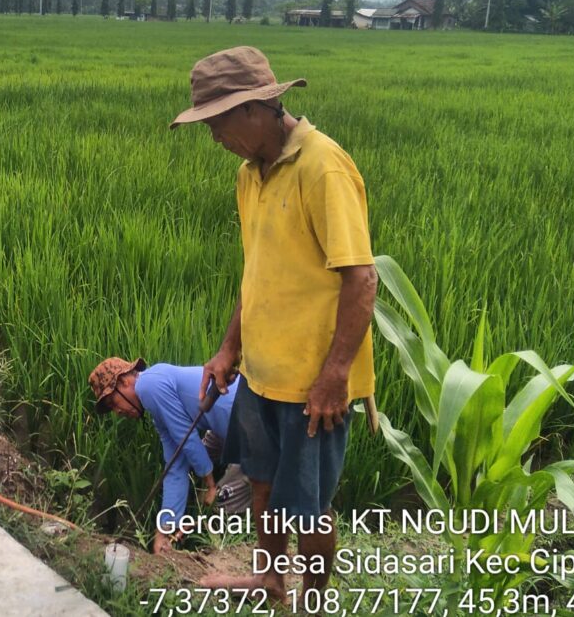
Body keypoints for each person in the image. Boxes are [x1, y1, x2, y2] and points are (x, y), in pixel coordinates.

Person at [169, 46, 377, 599]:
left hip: (313, 382)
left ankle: (312, 598)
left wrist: (335, 375)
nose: (214, 136)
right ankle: (269, 578)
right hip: (260, 371)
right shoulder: (248, 175)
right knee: (260, 479)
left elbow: (362, 280)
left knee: (309, 503)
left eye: (217, 122)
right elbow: (257, 272)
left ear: (255, 108)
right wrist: (228, 349)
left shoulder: (323, 166)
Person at [89, 357, 251, 554]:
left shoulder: (148, 385)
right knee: (193, 462)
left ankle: (220, 544)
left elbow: (186, 438)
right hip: (230, 422)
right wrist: (163, 530)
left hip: (253, 422)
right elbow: (175, 467)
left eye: (113, 403)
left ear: (124, 382)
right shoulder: (158, 408)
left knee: (220, 503)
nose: (117, 412)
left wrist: (210, 485)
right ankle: (179, 531)